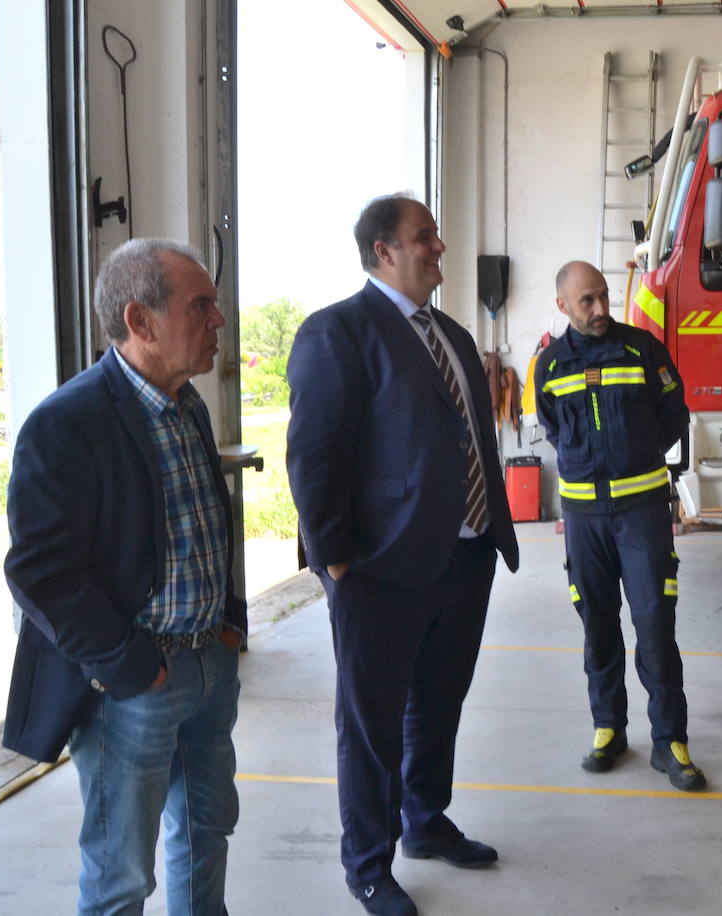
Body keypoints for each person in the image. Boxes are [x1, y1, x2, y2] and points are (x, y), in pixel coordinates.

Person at [286, 194, 519, 916]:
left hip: (467, 555)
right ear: (384, 251)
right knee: (372, 723)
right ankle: (368, 864)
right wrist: (334, 560)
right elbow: (315, 455)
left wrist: (487, 533)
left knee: (438, 705)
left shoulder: (447, 331)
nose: (440, 247)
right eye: (425, 238)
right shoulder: (337, 333)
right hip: (380, 569)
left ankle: (424, 820)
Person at [3, 238, 245, 914]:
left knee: (206, 831)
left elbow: (205, 526)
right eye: (202, 307)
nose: (218, 321)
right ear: (140, 321)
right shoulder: (67, 423)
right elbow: (41, 573)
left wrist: (229, 623)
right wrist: (128, 663)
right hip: (133, 685)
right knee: (121, 874)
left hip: (207, 665)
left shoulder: (188, 405)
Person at [534, 261, 705, 792]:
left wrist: (636, 455)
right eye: (586, 301)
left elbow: (675, 414)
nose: (600, 309)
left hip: (641, 513)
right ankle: (608, 728)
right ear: (562, 305)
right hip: (584, 517)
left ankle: (669, 741)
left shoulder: (642, 350)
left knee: (655, 623)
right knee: (598, 625)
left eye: (604, 297)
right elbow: (552, 426)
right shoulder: (549, 366)